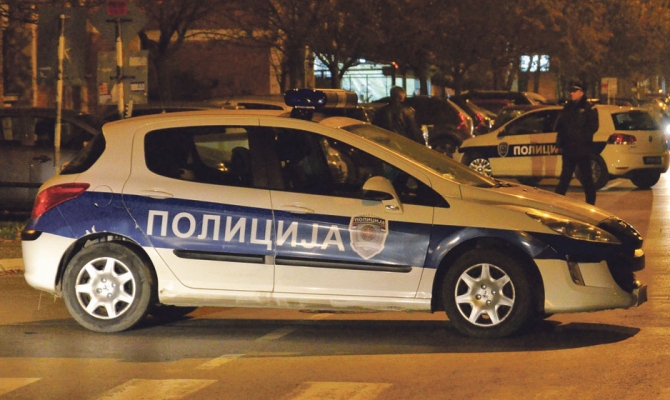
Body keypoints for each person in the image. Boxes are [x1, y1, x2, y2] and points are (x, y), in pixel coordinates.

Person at [554, 82, 599, 205]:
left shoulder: (589, 107)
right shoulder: (568, 107)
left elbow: (593, 127)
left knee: (587, 178)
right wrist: (558, 144)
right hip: (568, 149)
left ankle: (590, 204)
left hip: (582, 149)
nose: (571, 94)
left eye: (574, 91)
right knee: (565, 178)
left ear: (581, 92)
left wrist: (581, 139)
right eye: (571, 91)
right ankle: (555, 203)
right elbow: (561, 127)